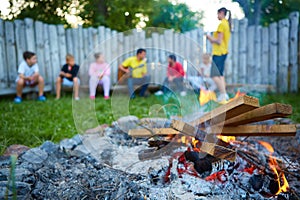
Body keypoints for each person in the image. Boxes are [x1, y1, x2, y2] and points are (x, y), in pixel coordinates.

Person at [206, 7, 231, 103]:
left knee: (214, 75)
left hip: (219, 53)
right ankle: (224, 95)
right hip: (223, 52)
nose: (217, 16)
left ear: (221, 13)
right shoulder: (226, 24)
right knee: (220, 75)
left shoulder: (221, 24)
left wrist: (209, 37)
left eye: (218, 14)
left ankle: (223, 94)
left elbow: (219, 41)